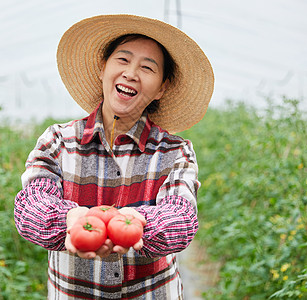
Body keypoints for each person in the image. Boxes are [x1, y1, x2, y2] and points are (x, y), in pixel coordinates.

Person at [14, 14, 214, 299]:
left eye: (147, 67)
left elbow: (181, 217)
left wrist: (135, 225)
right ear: (102, 68)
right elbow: (31, 206)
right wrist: (70, 219)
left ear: (162, 88)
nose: (131, 73)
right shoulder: (58, 141)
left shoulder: (175, 151)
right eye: (123, 60)